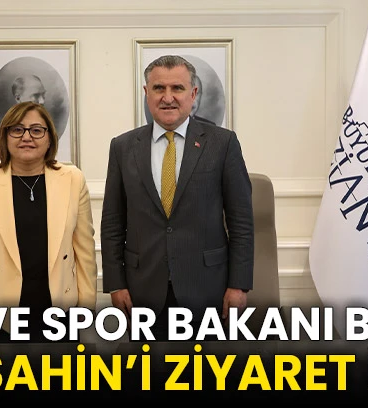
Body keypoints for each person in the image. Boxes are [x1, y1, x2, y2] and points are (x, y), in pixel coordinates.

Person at [100, 55, 254, 341]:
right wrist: (115, 284)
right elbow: (112, 223)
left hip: (209, 291)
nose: (168, 97)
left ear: (193, 94)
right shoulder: (123, 147)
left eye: (177, 88)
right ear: (146, 93)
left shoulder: (222, 143)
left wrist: (239, 285)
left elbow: (241, 221)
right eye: (159, 88)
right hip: (143, 292)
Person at [0, 101, 97, 343]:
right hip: (1, 317)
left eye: (36, 130)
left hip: (60, 314)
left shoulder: (73, 180)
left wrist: (86, 306)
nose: (26, 137)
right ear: (5, 137)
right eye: (17, 129)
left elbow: (85, 252)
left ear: (49, 138)